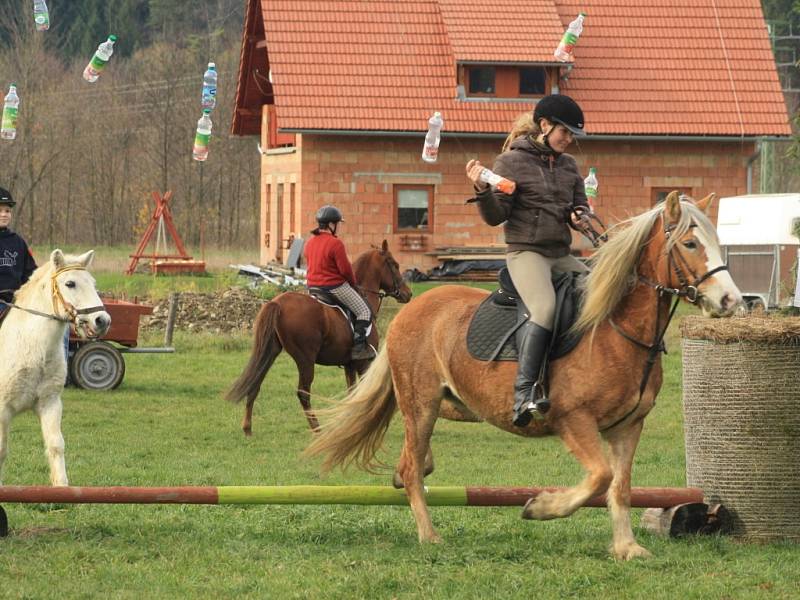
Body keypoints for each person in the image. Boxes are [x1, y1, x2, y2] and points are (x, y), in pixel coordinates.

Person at [465, 94, 590, 427]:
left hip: (560, 254)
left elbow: (580, 207)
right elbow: (495, 217)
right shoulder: (509, 163)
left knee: (602, 289)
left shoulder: (569, 166)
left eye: (573, 135)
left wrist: (581, 216)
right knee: (544, 307)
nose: (569, 139)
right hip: (526, 253)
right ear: (545, 125)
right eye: (565, 131)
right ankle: (524, 394)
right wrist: (481, 190)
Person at [304, 205, 374, 361]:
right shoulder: (336, 243)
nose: (339, 227)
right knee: (365, 311)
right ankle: (358, 348)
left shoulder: (309, 243)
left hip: (313, 288)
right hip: (334, 287)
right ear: (331, 225)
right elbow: (345, 271)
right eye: (338, 223)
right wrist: (354, 285)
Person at [0, 187, 37, 321]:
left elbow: (31, 274)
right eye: (0, 211)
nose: (4, 214)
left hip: (18, 301)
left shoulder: (18, 242)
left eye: (7, 211)